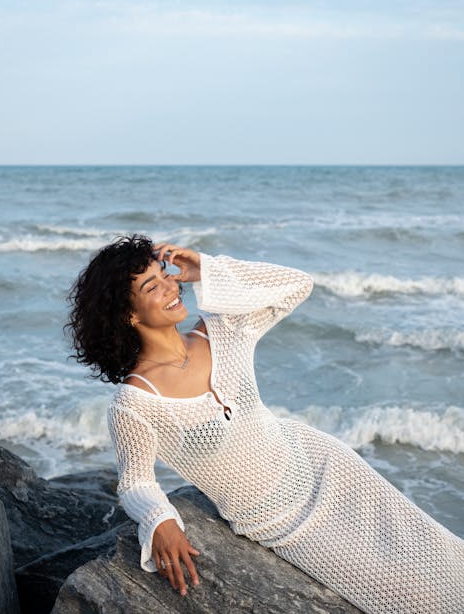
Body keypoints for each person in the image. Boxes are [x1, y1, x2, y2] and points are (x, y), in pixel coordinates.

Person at [67, 234, 464, 613]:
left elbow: (296, 284)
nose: (170, 287)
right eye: (152, 287)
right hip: (280, 522)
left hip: (323, 465)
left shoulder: (222, 331)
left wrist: (206, 268)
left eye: (164, 274)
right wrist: (160, 520)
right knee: (404, 595)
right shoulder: (135, 401)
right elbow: (136, 482)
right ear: (128, 314)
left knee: (435, 551)